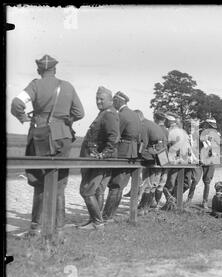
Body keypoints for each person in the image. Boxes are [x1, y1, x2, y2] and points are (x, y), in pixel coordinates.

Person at [10, 54, 84, 236]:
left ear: (38, 70)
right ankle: (58, 230)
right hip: (63, 138)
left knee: (40, 182)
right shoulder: (67, 86)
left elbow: (16, 103)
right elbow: (80, 113)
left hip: (41, 137)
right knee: (59, 184)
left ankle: (36, 228)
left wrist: (24, 117)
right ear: (55, 70)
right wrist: (65, 121)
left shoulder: (35, 84)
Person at [78, 86, 119, 229]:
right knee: (98, 190)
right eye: (97, 98)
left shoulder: (108, 114)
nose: (98, 101)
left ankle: (97, 222)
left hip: (98, 159)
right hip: (99, 158)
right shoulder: (104, 113)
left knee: (86, 190)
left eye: (102, 99)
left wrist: (104, 154)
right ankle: (93, 220)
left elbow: (113, 137)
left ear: (110, 100)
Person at [102, 91, 141, 222]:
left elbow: (115, 135)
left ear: (119, 101)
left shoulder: (121, 115)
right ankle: (110, 215)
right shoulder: (135, 115)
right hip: (133, 153)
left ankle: (107, 216)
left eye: (114, 101)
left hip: (122, 152)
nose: (113, 104)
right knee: (120, 185)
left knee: (115, 185)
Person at [133, 109, 169, 215]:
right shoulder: (164, 129)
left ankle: (145, 207)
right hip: (162, 156)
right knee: (156, 183)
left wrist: (138, 155)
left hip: (153, 155)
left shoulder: (145, 125)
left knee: (149, 182)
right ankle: (151, 206)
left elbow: (143, 143)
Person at [199, 118, 219, 209]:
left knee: (207, 181)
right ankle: (188, 199)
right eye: (209, 126)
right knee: (194, 180)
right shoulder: (200, 133)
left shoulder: (216, 135)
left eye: (212, 127)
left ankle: (205, 201)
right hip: (200, 159)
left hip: (211, 160)